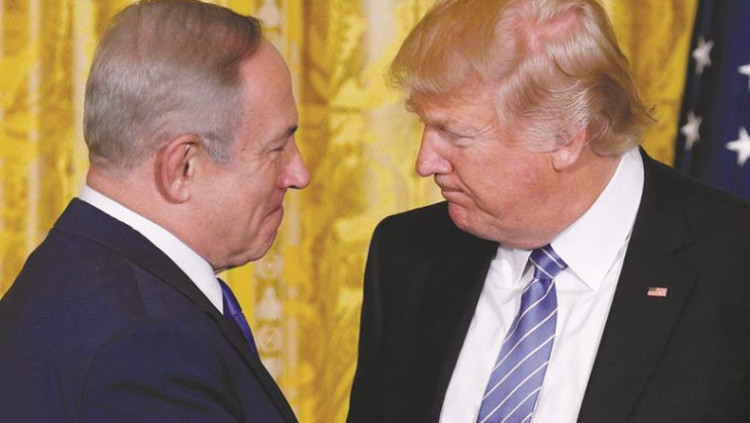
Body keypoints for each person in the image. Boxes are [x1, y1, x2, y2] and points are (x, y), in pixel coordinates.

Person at [347, 0, 750, 422]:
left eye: (455, 134)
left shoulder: (735, 267)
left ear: (566, 137)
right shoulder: (408, 254)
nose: (425, 162)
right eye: (425, 125)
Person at [0, 1, 309, 422]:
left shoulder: (73, 276)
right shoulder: (143, 345)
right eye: (276, 148)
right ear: (182, 167)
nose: (299, 174)